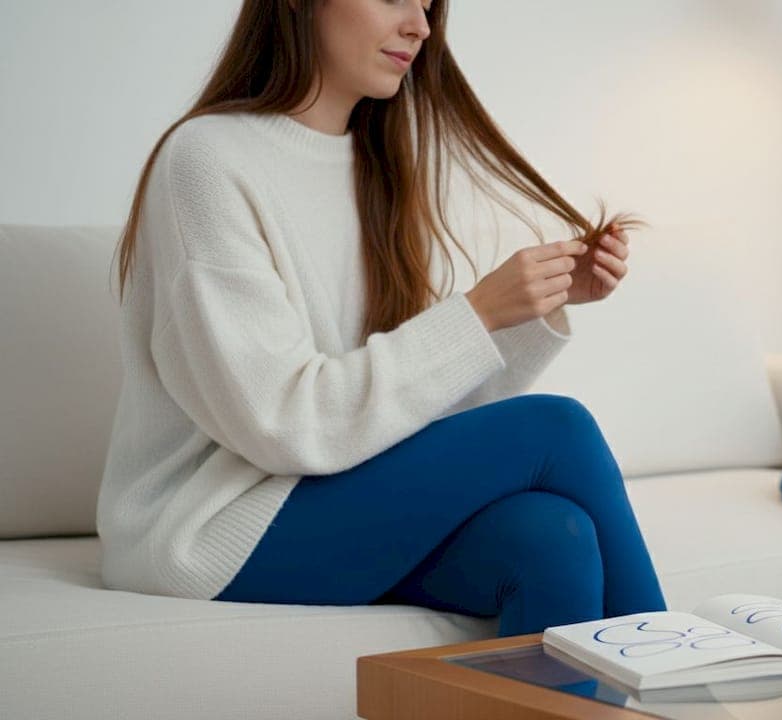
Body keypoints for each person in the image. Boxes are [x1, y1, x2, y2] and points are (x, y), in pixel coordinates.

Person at [100, 0, 667, 637]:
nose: (421, 26)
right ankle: (685, 683)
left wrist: (535, 311)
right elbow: (284, 423)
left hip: (332, 492)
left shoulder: (379, 169)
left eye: (428, 3)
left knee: (551, 537)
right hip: (214, 525)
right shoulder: (207, 160)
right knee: (556, 426)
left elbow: (399, 416)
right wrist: (478, 314)